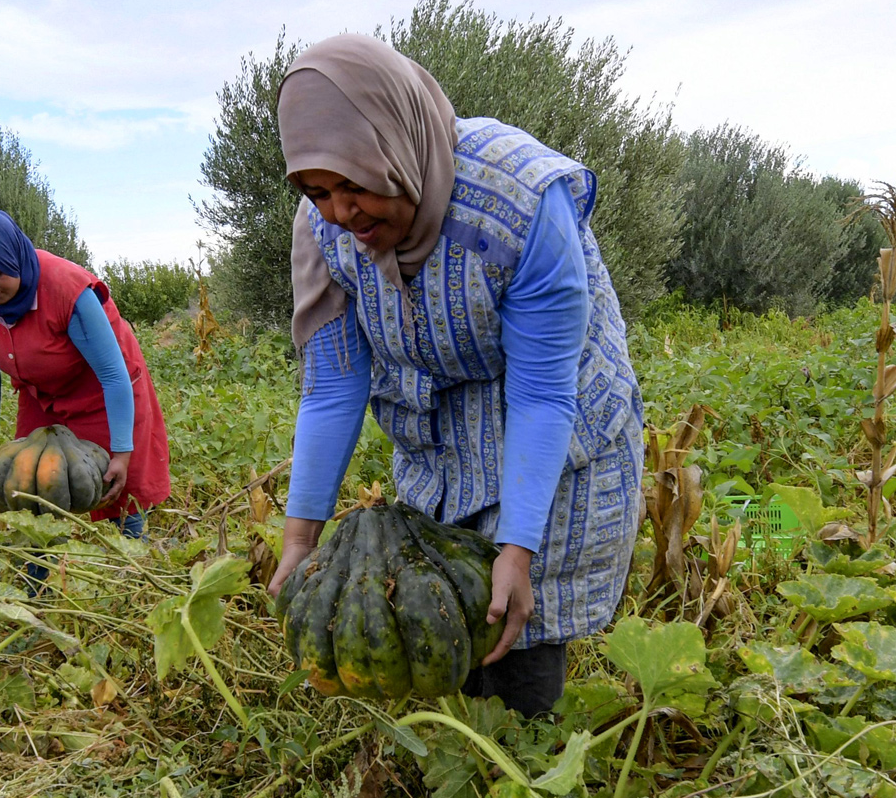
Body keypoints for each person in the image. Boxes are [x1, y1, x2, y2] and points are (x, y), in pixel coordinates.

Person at [266, 35, 645, 717]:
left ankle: (531, 763)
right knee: (443, 605)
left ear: (395, 150)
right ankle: (468, 756)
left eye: (355, 185)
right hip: (442, 425)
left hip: (546, 420)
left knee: (517, 620)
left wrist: (519, 549)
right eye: (318, 191)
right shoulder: (321, 233)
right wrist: (301, 539)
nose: (340, 214)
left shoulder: (522, 203)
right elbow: (332, 388)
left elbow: (540, 394)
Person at [0, 210, 170, 537]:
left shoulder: (65, 287)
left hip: (101, 391)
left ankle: (132, 566)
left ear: (14, 259)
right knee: (30, 489)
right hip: (42, 393)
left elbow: (112, 373)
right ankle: (39, 581)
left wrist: (122, 452)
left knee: (115, 486)